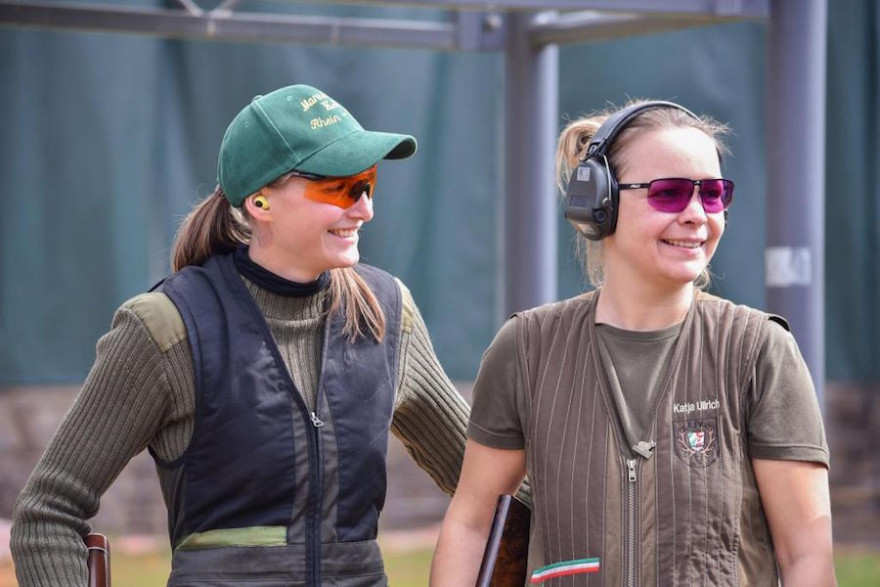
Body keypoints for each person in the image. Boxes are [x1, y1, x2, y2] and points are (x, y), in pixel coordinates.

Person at [11, 84, 470, 586]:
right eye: (338, 188)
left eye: (367, 184)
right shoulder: (167, 328)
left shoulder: (387, 313)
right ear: (259, 201)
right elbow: (47, 515)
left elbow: (496, 490)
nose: (363, 209)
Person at [431, 100, 836, 586]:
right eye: (668, 194)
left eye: (711, 194)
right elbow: (472, 525)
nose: (695, 215)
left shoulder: (758, 351)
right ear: (599, 203)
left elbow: (805, 556)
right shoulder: (526, 349)